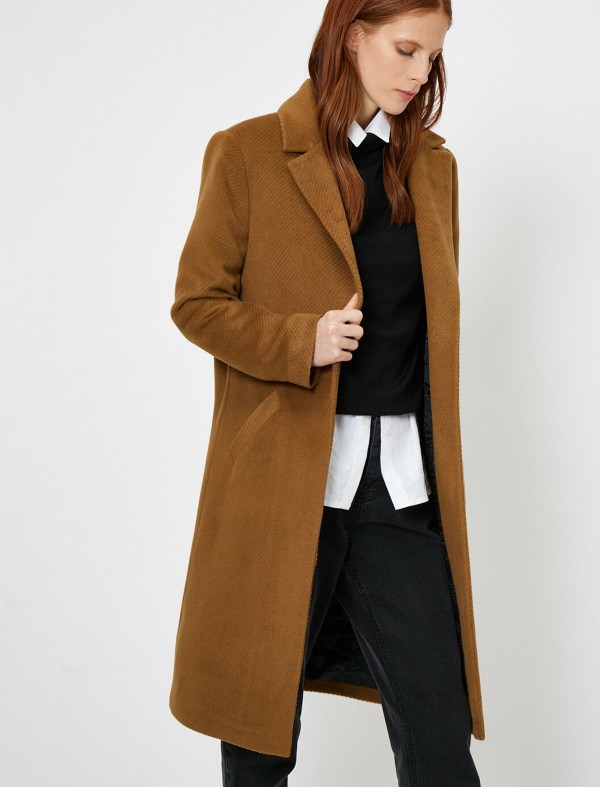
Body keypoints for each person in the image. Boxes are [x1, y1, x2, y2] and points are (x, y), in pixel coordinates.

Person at [168, 0, 485, 784]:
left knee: (438, 732)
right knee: (258, 739)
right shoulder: (247, 153)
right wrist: (299, 341)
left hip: (398, 487)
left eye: (433, 56)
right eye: (406, 50)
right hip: (282, 481)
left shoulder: (433, 169)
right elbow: (197, 303)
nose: (421, 73)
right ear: (351, 37)